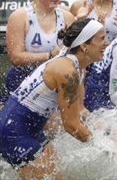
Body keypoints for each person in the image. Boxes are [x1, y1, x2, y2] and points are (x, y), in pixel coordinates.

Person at [0, 18, 108, 177]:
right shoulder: (67, 71)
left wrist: (108, 130)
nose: (107, 43)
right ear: (84, 46)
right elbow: (71, 125)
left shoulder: (77, 65)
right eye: (102, 39)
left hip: (29, 129)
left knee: (59, 175)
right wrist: (104, 147)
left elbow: (79, 110)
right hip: (13, 131)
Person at [1, 0, 75, 106]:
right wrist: (49, 55)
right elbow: (15, 57)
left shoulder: (67, 17)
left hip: (53, 79)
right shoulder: (20, 17)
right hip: (22, 78)